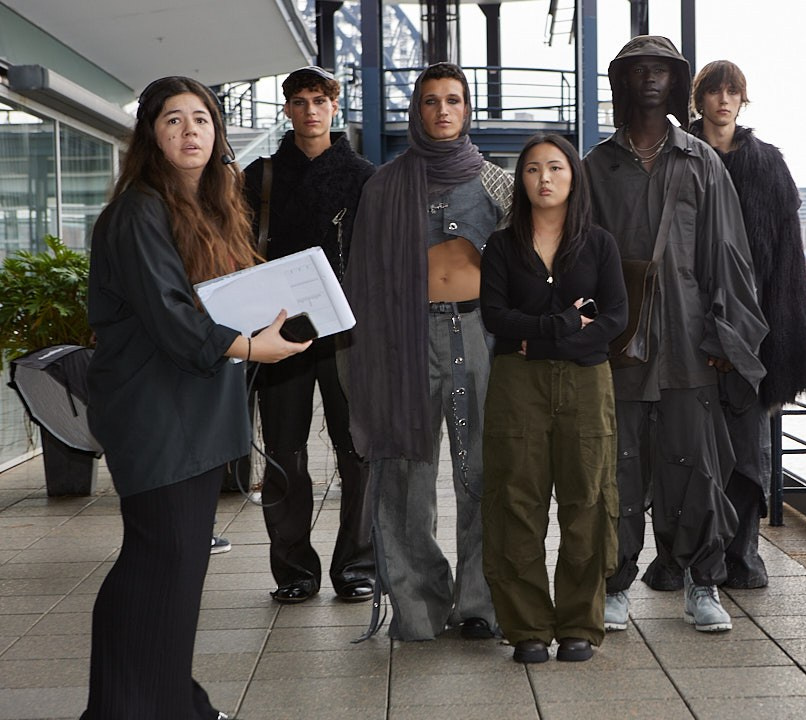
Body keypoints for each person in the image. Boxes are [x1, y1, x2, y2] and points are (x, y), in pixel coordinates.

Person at [82, 76, 309, 720]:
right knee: (163, 561)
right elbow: (172, 317)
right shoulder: (138, 212)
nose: (191, 131)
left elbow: (218, 301)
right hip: (156, 413)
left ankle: (160, 702)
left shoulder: (206, 207)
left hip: (192, 410)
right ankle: (143, 707)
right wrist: (252, 347)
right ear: (150, 135)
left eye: (202, 119)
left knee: (170, 568)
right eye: (174, 120)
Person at [582, 36, 768, 633]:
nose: (650, 79)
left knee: (697, 468)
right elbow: (581, 260)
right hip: (620, 346)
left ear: (676, 81)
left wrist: (726, 340)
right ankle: (615, 584)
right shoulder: (596, 167)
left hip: (690, 345)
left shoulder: (701, 162)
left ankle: (702, 582)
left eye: (661, 70)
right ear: (622, 83)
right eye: (638, 70)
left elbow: (729, 256)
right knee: (619, 467)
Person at [342, 62, 512, 641]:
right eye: (431, 100)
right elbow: (363, 277)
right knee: (403, 475)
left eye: (453, 100)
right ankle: (417, 607)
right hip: (403, 339)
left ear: (468, 110)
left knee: (482, 471)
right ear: (417, 111)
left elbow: (524, 267)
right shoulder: (384, 184)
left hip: (477, 334)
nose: (443, 110)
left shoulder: (497, 183)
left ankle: (480, 604)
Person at [644, 60, 806, 591]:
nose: (723, 100)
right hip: (684, 327)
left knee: (746, 454)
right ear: (697, 99)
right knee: (682, 451)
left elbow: (787, 261)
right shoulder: (674, 155)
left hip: (752, 333)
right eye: (714, 91)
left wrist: (777, 338)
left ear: (744, 100)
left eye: (732, 92)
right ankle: (680, 559)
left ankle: (742, 557)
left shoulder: (767, 166)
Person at [480, 133, 628, 663]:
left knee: (588, 499)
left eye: (556, 168)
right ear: (521, 181)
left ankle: (579, 624)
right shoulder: (502, 246)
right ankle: (526, 628)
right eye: (532, 169)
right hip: (517, 384)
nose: (544, 178)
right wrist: (564, 323)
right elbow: (495, 316)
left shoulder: (599, 244)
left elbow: (615, 316)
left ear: (573, 177)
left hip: (586, 381)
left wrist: (542, 337)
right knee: (515, 499)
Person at [243, 65, 377, 605]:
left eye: (320, 100)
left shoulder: (364, 176)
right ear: (287, 109)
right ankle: (293, 569)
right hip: (278, 330)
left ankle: (356, 566)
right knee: (284, 451)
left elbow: (379, 258)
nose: (311, 110)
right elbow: (239, 248)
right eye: (300, 101)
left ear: (334, 107)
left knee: (356, 449)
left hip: (346, 329)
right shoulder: (260, 176)